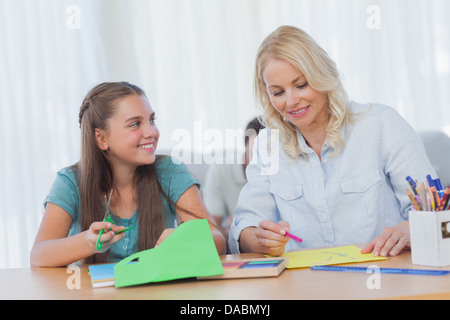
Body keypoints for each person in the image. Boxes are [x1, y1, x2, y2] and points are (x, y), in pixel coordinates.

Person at [228, 25, 436, 257]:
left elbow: (435, 212)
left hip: (383, 279)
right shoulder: (267, 145)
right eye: (278, 92)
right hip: (305, 286)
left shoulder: (381, 124)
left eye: (301, 85)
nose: (291, 101)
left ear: (323, 75)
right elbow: (244, 225)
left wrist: (407, 230)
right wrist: (256, 238)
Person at [31, 82, 226, 267]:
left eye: (152, 120)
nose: (151, 132)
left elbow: (217, 239)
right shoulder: (70, 182)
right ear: (101, 138)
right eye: (135, 124)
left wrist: (187, 240)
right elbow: (39, 256)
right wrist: (88, 242)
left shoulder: (170, 170)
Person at [202, 118, 264, 241]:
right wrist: (233, 232)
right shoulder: (220, 170)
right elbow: (210, 227)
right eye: (256, 153)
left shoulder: (280, 172)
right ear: (245, 147)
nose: (262, 161)